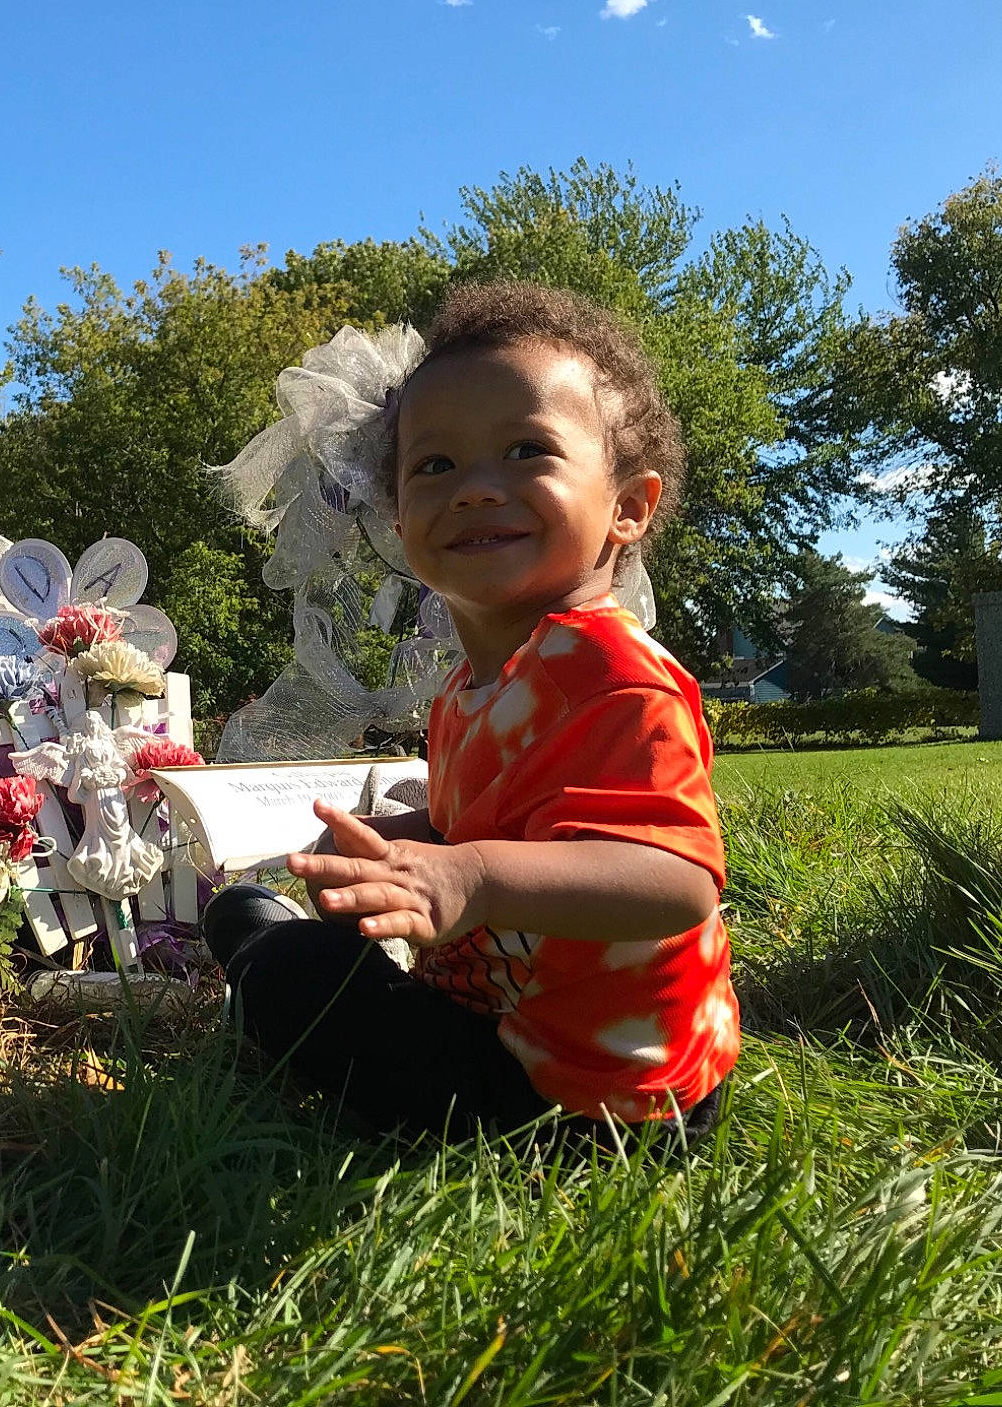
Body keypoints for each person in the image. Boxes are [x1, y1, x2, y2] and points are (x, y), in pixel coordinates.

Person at [204, 282, 739, 1147]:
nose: (475, 490)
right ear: (397, 515)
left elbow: (674, 883)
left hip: (598, 1097)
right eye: (436, 466)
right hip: (500, 1022)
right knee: (253, 927)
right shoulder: (470, 688)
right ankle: (260, 950)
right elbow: (490, 819)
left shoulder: (613, 672)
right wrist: (405, 842)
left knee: (289, 976)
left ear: (629, 508)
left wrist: (472, 878)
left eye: (527, 451)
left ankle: (266, 973)